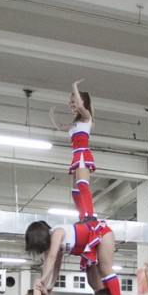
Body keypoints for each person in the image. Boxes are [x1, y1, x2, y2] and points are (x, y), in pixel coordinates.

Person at [26, 218, 123, 295]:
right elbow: (55, 266)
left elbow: (52, 258)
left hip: (100, 232)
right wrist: (50, 284)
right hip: (89, 244)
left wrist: (43, 280)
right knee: (93, 281)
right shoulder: (54, 247)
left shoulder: (57, 232)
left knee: (105, 269)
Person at [49, 78, 96, 220]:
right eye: (70, 101)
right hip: (75, 156)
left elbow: (81, 107)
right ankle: (82, 217)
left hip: (82, 154)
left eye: (73, 100)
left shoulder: (86, 117)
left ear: (82, 102)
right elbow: (60, 126)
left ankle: (90, 215)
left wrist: (74, 86)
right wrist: (52, 115)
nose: (71, 103)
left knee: (82, 185)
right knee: (75, 190)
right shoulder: (74, 123)